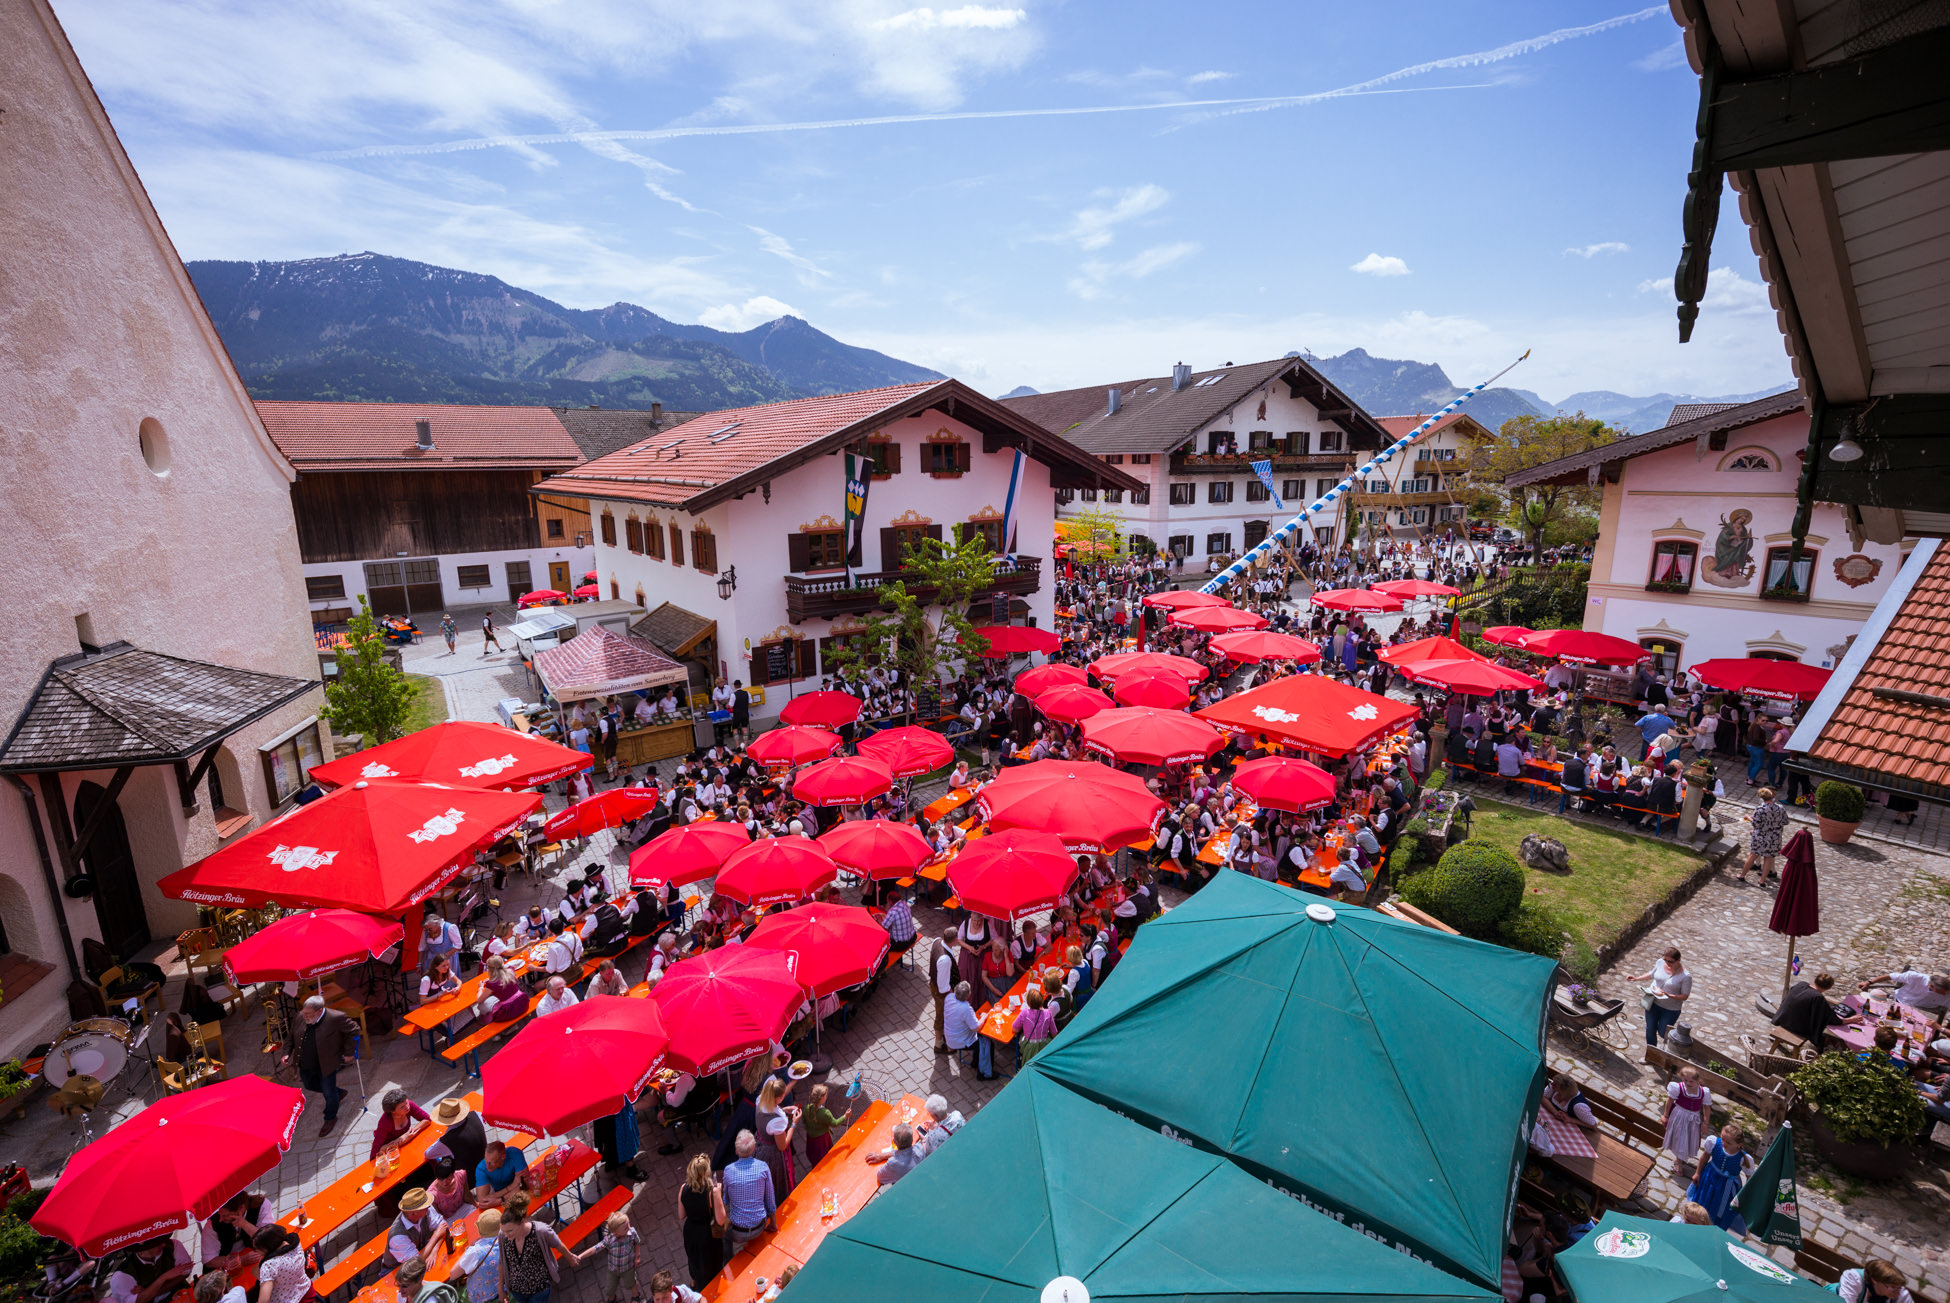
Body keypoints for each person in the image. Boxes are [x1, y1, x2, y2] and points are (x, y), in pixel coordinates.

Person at [282, 995, 353, 1136]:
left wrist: (349, 1052)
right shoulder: (300, 1016)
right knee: (309, 1085)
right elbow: (291, 1036)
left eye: (308, 1014)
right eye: (304, 1012)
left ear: (320, 1011)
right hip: (305, 1063)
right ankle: (338, 1093)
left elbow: (353, 1030)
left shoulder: (335, 1018)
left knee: (328, 1092)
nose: (305, 1016)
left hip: (326, 1064)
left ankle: (330, 1118)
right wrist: (286, 1053)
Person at [497, 1192, 568, 1303]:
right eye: (503, 1231)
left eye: (509, 1231)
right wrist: (501, 1288)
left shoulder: (540, 1231)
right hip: (517, 1290)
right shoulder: (503, 1235)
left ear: (522, 1222)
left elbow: (558, 1244)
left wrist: (570, 1257)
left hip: (540, 1289)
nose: (505, 1235)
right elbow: (502, 1261)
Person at [1684, 1122, 1754, 1232]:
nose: (1723, 1143)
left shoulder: (1743, 1158)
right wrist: (1697, 1173)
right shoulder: (1714, 1143)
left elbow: (1750, 1178)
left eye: (1728, 1142)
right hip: (1708, 1180)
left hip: (1726, 1189)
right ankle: (1693, 1223)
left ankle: (1712, 1231)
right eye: (1722, 1138)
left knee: (1719, 1210)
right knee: (1702, 1202)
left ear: (1739, 1145)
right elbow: (1705, 1157)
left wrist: (1744, 1195)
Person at [719, 1131, 776, 1260]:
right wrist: (773, 1223)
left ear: (736, 1151)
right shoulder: (763, 1167)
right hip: (759, 1227)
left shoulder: (728, 1170)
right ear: (753, 1149)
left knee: (722, 1234)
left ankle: (728, 1263)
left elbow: (726, 1199)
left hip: (737, 1233)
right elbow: (770, 1198)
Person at [573, 1208, 642, 1303]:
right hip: (613, 1269)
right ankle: (612, 1299)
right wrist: (580, 1256)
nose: (629, 1228)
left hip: (628, 1267)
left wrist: (637, 1256)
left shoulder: (632, 1233)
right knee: (610, 1289)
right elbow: (595, 1248)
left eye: (629, 1223)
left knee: (632, 1284)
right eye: (626, 1228)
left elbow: (637, 1243)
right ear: (615, 1233)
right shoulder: (609, 1240)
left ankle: (635, 1296)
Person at [1774, 973, 1864, 1044]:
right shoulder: (1818, 998)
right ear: (1829, 987)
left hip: (1782, 1018)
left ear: (1815, 980)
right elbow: (1832, 1019)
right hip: (1793, 1026)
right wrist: (1851, 1019)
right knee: (1824, 1028)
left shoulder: (1801, 985)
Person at [677, 1155, 724, 1288]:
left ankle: (695, 1281)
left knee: (693, 1259)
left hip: (691, 1232)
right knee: (711, 1263)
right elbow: (721, 1220)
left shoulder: (683, 1188)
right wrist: (719, 1194)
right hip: (708, 1234)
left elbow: (681, 1215)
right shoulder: (712, 1193)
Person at [1629, 947, 1692, 1046]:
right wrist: (1636, 978)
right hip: (1653, 1003)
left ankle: (1674, 1046)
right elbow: (1652, 974)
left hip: (1670, 1009)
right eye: (1665, 960)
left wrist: (1669, 995)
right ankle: (1651, 1053)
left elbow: (1684, 996)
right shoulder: (1660, 962)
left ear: (1678, 960)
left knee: (1663, 1033)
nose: (1667, 963)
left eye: (1670, 961)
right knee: (1650, 1029)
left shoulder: (1686, 976)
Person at [108, 1238, 190, 1303]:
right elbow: (138, 1301)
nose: (163, 1244)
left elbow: (186, 1271)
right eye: (156, 1244)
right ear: (141, 1251)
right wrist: (163, 1278)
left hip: (182, 1293)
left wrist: (149, 1292)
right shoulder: (121, 1276)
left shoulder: (173, 1245)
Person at [1661, 1066, 1710, 1174]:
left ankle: (1681, 1157)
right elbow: (1669, 1101)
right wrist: (1665, 1115)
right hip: (1679, 1115)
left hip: (1694, 1119)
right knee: (1680, 1138)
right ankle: (1678, 1162)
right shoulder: (1678, 1088)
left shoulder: (1704, 1092)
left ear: (1697, 1080)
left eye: (1691, 1081)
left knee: (1689, 1138)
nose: (1687, 1083)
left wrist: (1706, 1123)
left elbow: (1706, 1108)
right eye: (1685, 1080)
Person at [385, 1188, 447, 1268]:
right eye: (425, 1207)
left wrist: (434, 1251)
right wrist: (435, 1235)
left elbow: (443, 1227)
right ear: (413, 1214)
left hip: (420, 1250)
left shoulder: (423, 1210)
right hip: (399, 1268)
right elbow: (415, 1264)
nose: (429, 1207)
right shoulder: (397, 1237)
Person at [451, 1209, 503, 1303]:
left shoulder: (475, 1252)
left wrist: (469, 1249)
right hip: (504, 1289)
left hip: (482, 1297)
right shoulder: (510, 1239)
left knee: (454, 1292)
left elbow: (453, 1274)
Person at [251, 1226, 314, 1303]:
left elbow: (263, 1301)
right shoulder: (296, 1246)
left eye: (256, 1249)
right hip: (307, 1291)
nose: (255, 1252)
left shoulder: (269, 1266)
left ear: (267, 1248)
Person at [1738, 788, 1787, 883]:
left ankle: (1742, 875)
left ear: (1761, 798)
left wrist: (1748, 817)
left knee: (1753, 855)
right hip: (1775, 838)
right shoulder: (1780, 808)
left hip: (1761, 837)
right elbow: (1786, 821)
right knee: (1768, 858)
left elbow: (1755, 824)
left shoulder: (1760, 809)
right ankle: (1762, 881)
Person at [1859, 970, 1950, 1019]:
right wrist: (1869, 982)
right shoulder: (1916, 977)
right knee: (1877, 1015)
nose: (1944, 994)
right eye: (1942, 992)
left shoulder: (1947, 994)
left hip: (1921, 1010)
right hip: (1898, 999)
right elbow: (1891, 976)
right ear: (1931, 986)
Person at [372, 1089, 431, 1161]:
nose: (407, 1107)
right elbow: (377, 1151)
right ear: (392, 1111)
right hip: (391, 1153)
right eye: (402, 1107)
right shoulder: (385, 1122)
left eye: (406, 1102)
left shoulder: (409, 1105)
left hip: (407, 1144)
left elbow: (427, 1119)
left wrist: (408, 1134)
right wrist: (401, 1140)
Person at [801, 1083, 850, 1168]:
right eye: (826, 1095)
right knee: (823, 1156)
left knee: (814, 1155)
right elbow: (835, 1123)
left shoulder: (807, 1107)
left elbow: (804, 1120)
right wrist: (845, 1116)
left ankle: (815, 1166)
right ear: (822, 1098)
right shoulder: (825, 1113)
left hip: (811, 1138)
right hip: (822, 1139)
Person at [474, 1139, 529, 1206]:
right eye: (486, 1161)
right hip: (498, 1191)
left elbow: (525, 1184)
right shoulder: (481, 1168)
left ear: (503, 1157)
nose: (487, 1166)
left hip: (501, 1195)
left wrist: (499, 1200)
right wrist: (511, 1187)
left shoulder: (515, 1153)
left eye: (490, 1163)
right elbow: (482, 1200)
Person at [1835, 1260, 1916, 1303]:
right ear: (1875, 1280)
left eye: (1899, 1287)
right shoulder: (1853, 1278)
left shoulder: (1902, 1294)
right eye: (1893, 1287)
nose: (1897, 1292)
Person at [914, 1093, 965, 1158]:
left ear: (935, 1115)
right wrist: (936, 1126)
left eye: (930, 1114)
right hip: (962, 1144)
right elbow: (949, 1127)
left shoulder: (934, 1136)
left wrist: (923, 1139)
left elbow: (927, 1152)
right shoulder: (957, 1114)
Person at [932, 929, 958, 1054]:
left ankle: (942, 1041)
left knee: (943, 1016)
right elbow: (943, 986)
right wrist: (952, 995)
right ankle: (940, 1044)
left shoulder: (936, 941)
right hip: (941, 992)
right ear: (954, 940)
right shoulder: (945, 960)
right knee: (944, 1017)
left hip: (935, 984)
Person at [1016, 987, 1058, 1061]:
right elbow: (1054, 1033)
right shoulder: (1048, 1012)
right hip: (1045, 1045)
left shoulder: (1024, 1013)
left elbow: (1015, 1029)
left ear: (1029, 1003)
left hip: (1030, 1047)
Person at [943, 979, 981, 1057]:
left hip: (949, 1037)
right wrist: (984, 1016)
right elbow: (976, 1028)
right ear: (968, 995)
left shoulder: (949, 997)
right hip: (960, 1042)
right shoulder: (966, 1008)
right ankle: (977, 1063)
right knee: (986, 1043)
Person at [393, 1258, 459, 1303]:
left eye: (404, 1286)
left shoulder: (430, 1300)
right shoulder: (401, 1296)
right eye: (398, 1285)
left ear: (418, 1280)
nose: (400, 1290)